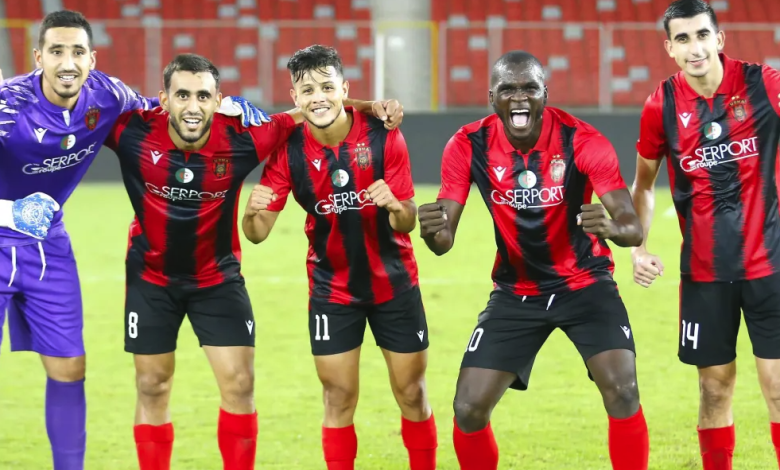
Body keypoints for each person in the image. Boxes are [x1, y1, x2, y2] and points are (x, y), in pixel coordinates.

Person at [104, 51, 404, 470]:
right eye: (182, 95)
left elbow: (310, 108)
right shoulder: (130, 131)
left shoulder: (245, 137)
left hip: (217, 280)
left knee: (240, 384)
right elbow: (77, 110)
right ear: (164, 99)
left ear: (218, 100)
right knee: (152, 385)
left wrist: (369, 106)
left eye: (203, 96)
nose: (193, 106)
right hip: (150, 279)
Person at [417, 50, 650, 470]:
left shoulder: (582, 140)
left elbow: (631, 227)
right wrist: (433, 229)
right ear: (492, 97)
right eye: (508, 89)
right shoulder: (467, 144)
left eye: (530, 88)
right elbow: (443, 241)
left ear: (545, 94)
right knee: (468, 408)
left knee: (623, 389)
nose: (520, 97)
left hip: (585, 284)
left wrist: (612, 228)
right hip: (516, 292)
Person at [242, 45, 437, 470]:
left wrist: (395, 205)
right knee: (337, 397)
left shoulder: (383, 134)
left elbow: (407, 221)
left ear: (344, 89)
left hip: (395, 284)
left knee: (412, 394)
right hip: (332, 291)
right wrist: (251, 213)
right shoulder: (287, 150)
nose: (318, 97)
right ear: (294, 97)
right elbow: (256, 234)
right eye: (307, 90)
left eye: (327, 87)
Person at [631, 0, 780, 468]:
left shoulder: (763, 85)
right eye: (682, 39)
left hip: (771, 265)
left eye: (701, 35)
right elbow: (644, 185)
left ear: (719, 38)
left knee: (778, 387)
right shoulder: (661, 104)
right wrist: (639, 247)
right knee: (714, 389)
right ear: (669, 49)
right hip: (704, 273)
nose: (694, 48)